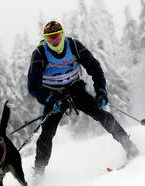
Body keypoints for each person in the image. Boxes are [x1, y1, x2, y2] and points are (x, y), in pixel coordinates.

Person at [27, 21, 139, 177]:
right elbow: (33, 85)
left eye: (57, 35)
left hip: (75, 88)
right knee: (47, 133)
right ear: (46, 39)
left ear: (62, 34)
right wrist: (49, 99)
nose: (55, 40)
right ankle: (38, 174)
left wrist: (101, 91)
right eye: (50, 38)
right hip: (54, 95)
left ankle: (130, 147)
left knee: (101, 114)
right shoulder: (39, 53)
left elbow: (95, 68)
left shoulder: (73, 46)